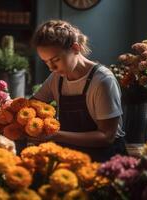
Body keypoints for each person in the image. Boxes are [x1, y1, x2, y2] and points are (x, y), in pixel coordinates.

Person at [30, 20, 127, 162]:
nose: (51, 68)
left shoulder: (103, 81)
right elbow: (32, 104)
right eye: (46, 62)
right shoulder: (57, 78)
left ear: (75, 48)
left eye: (56, 60)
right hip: (71, 156)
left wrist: (56, 135)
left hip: (105, 159)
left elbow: (107, 136)